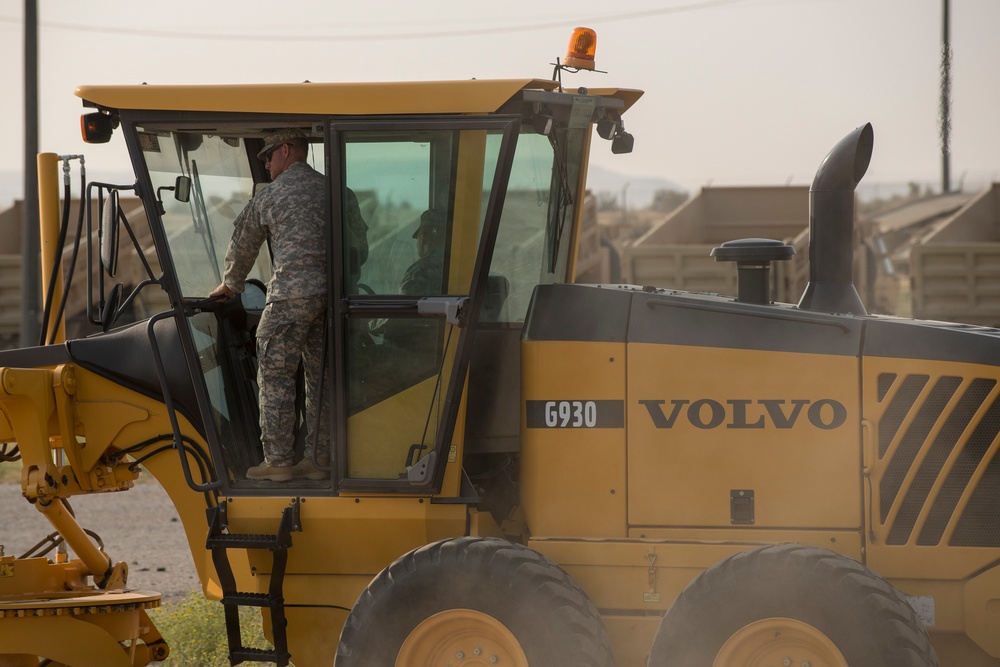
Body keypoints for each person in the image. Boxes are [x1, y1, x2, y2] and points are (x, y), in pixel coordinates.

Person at [210, 129, 335, 482]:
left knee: (276, 375)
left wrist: (231, 284)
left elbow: (244, 240)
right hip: (330, 301)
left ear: (286, 150)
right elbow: (359, 243)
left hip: (289, 299)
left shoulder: (273, 195)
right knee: (320, 378)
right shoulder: (334, 190)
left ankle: (278, 461)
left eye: (268, 156)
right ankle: (317, 459)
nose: (265, 164)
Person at [400, 209, 446, 295]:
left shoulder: (418, 272)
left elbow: (405, 306)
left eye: (417, 238)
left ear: (423, 236)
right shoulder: (455, 266)